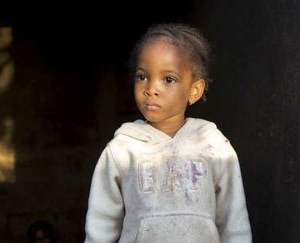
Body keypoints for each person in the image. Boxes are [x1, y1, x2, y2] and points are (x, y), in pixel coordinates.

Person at [84, 23, 252, 243]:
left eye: (168, 79)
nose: (151, 88)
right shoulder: (122, 150)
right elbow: (101, 225)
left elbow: (234, 222)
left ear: (194, 91)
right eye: (142, 76)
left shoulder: (214, 146)